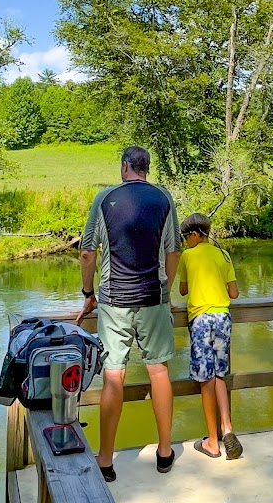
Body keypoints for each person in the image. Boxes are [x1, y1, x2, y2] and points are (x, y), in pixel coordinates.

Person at [74, 145, 182, 482]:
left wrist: (88, 294)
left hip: (114, 301)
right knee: (159, 372)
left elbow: (87, 252)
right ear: (146, 168)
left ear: (125, 167)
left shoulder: (105, 199)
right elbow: (174, 251)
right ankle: (164, 452)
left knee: (113, 376)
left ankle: (106, 459)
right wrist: (166, 291)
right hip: (153, 298)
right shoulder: (164, 198)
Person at [176, 213, 243, 460]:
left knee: (205, 380)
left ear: (194, 235)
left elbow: (183, 289)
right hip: (223, 318)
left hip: (201, 320)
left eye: (186, 237)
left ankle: (213, 443)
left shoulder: (187, 256)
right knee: (219, 375)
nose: (185, 242)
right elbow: (234, 292)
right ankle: (227, 428)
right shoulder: (223, 255)